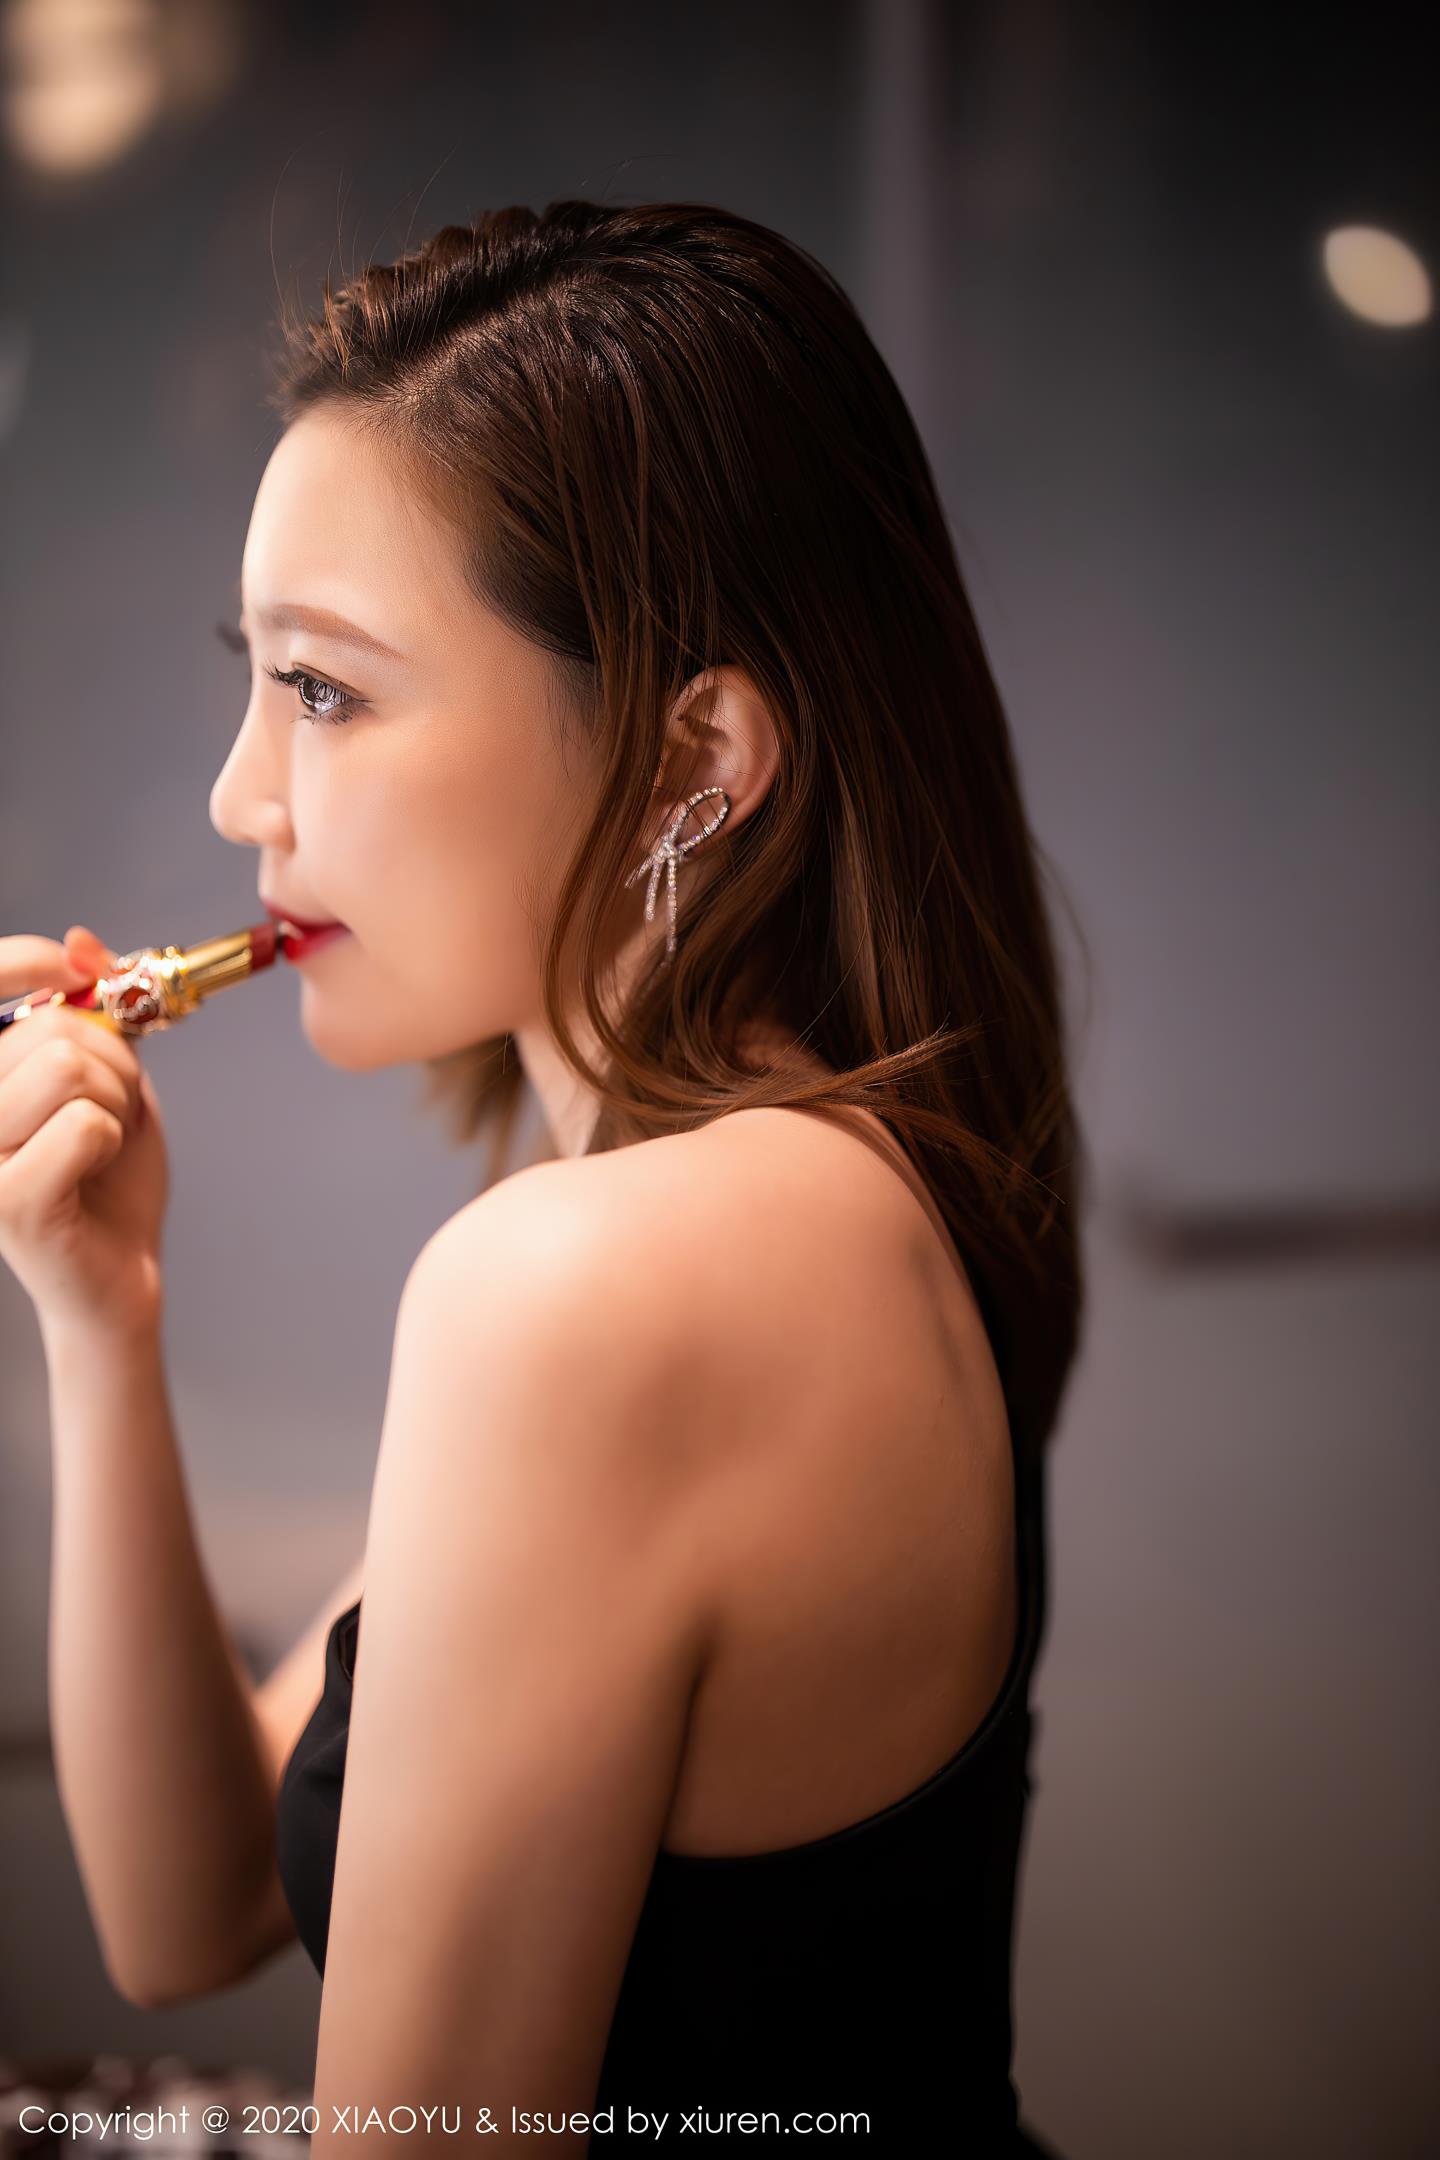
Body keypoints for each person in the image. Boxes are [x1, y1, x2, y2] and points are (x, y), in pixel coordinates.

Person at [0, 201, 1087, 2153]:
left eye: (322, 690)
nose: (240, 795)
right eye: (256, 678)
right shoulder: (802, 1199)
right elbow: (190, 1910)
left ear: (692, 762)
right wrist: (100, 1310)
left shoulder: (598, 1286)